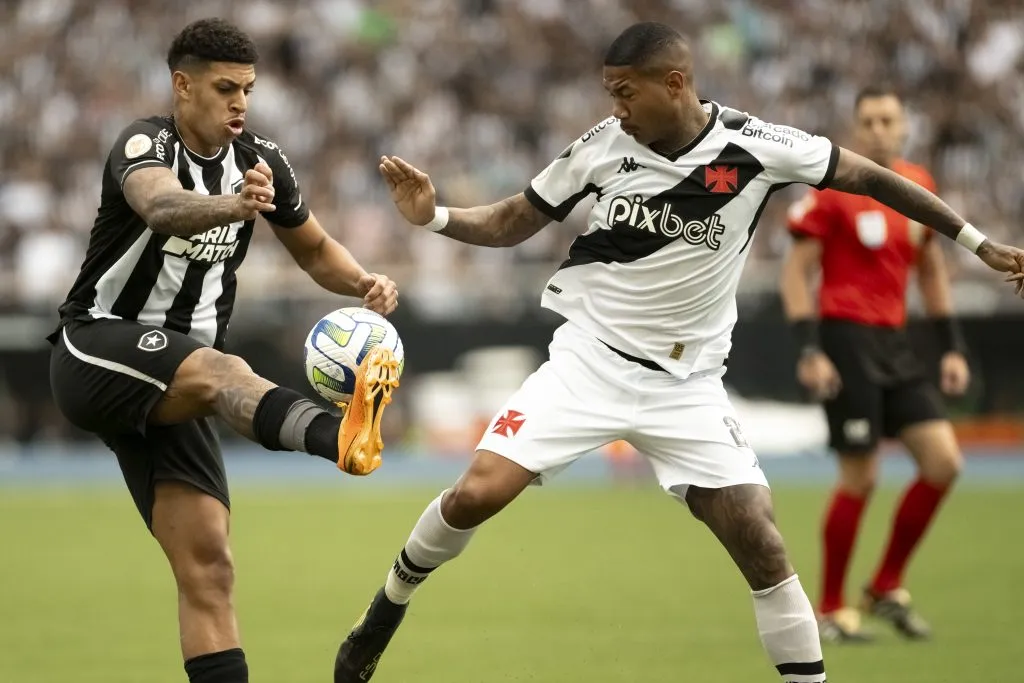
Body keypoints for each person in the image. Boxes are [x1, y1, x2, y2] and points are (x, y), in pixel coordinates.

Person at [333, 22, 1024, 683]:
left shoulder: (757, 145)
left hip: (687, 386)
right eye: (609, 93)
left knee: (763, 543)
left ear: (674, 83)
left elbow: (872, 178)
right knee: (475, 493)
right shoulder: (603, 144)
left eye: (624, 92)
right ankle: (386, 606)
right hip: (588, 362)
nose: (615, 107)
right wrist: (437, 217)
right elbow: (518, 218)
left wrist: (976, 241)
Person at [47, 18, 400, 683]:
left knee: (210, 565)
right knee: (221, 369)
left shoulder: (264, 161)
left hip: (178, 382)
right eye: (225, 88)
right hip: (96, 348)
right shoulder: (144, 142)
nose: (241, 102)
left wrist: (362, 281)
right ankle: (341, 436)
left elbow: (315, 249)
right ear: (182, 86)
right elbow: (160, 207)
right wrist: (231, 207)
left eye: (248, 89)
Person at [780, 86, 969, 642]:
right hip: (845, 340)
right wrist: (810, 349)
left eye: (888, 120)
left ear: (905, 124)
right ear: (855, 128)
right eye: (868, 121)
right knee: (860, 476)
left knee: (943, 464)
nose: (879, 130)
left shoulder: (920, 186)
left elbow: (931, 268)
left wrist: (951, 344)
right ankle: (833, 608)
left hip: (896, 342)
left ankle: (885, 585)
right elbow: (795, 273)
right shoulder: (834, 189)